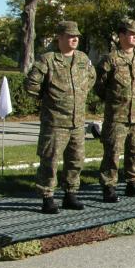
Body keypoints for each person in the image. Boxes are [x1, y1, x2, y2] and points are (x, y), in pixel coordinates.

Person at [24, 21, 96, 214]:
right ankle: (47, 197)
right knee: (50, 161)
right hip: (55, 122)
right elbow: (31, 85)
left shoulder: (82, 58)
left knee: (76, 161)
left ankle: (70, 195)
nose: (75, 39)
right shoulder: (48, 59)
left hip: (77, 122)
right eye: (70, 36)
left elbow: (91, 77)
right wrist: (48, 98)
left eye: (76, 36)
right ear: (60, 37)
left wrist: (79, 93)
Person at [94, 18, 135, 203]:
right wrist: (115, 100)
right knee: (112, 152)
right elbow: (100, 86)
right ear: (121, 36)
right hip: (117, 115)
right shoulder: (111, 59)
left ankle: (132, 183)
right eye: (131, 33)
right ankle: (109, 186)